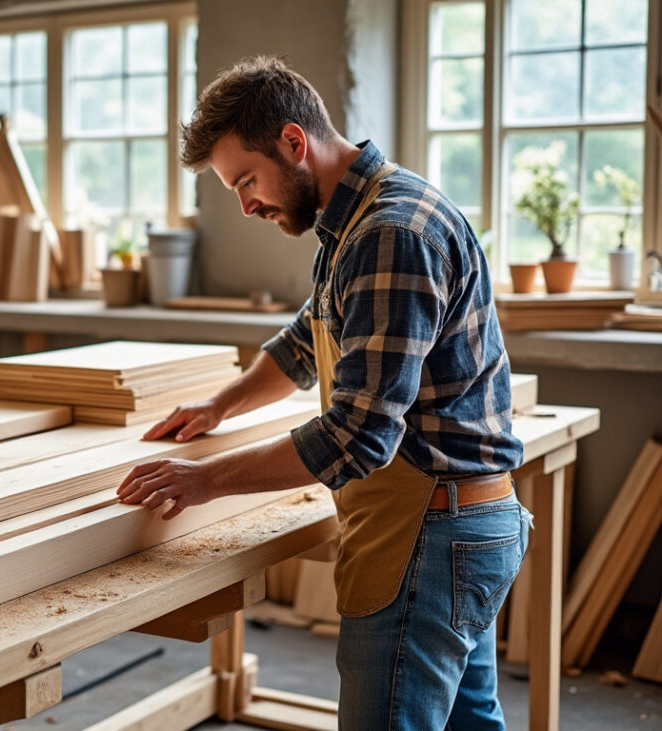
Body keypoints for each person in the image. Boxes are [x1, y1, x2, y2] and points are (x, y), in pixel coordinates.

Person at [116, 56, 531, 729]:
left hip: (428, 535)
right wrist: (219, 406)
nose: (246, 204)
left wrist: (204, 481)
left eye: (246, 180)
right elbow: (310, 339)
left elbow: (357, 435)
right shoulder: (356, 221)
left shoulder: (390, 234)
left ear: (293, 142)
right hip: (454, 525)